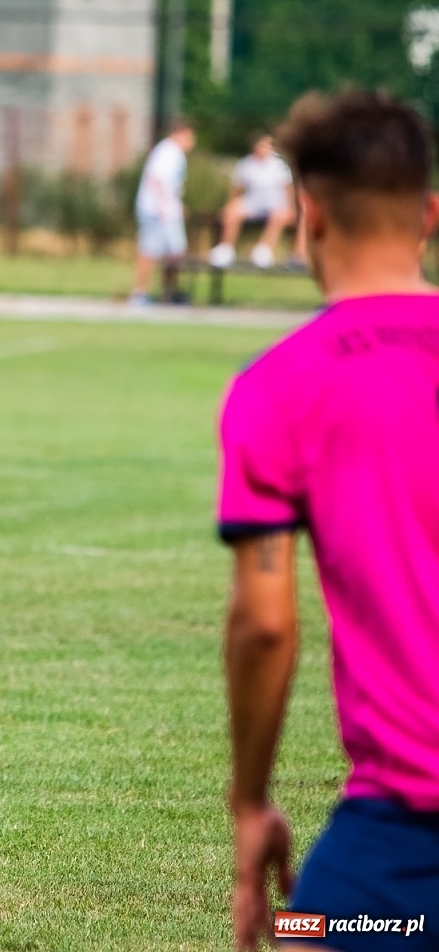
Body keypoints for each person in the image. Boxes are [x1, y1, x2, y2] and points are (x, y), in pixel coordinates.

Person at [216, 90, 439, 951]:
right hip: (397, 827)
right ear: (428, 215)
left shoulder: (280, 386)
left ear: (308, 214)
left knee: (304, 927)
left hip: (403, 833)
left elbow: (266, 624)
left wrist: (251, 802)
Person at [132, 119, 196, 305]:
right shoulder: (168, 151)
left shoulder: (174, 153)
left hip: (167, 209)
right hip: (156, 210)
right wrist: (163, 205)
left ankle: (168, 293)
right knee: (149, 250)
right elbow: (156, 178)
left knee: (174, 250)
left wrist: (176, 205)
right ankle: (139, 293)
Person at [211, 132, 296, 270]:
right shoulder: (246, 164)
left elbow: (288, 189)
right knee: (232, 211)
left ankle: (264, 251)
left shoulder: (279, 165)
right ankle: (225, 249)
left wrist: (291, 208)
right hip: (254, 202)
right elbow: (237, 188)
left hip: (275, 203)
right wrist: (230, 204)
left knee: (279, 216)